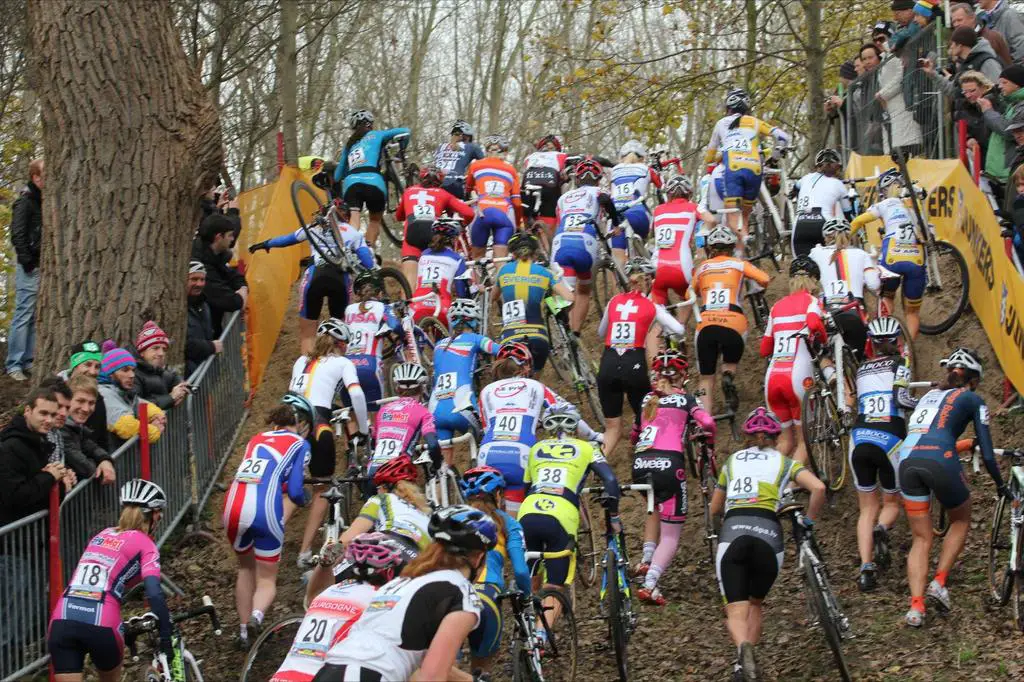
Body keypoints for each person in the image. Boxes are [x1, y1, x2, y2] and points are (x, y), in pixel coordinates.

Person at [313, 505, 497, 682]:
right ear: (479, 558)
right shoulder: (461, 592)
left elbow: (417, 663)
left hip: (329, 670)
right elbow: (431, 677)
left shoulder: (400, 583)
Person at [710, 408, 826, 682]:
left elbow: (715, 507)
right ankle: (748, 662)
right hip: (768, 535)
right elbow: (819, 488)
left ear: (747, 436)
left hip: (733, 533)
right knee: (756, 604)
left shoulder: (732, 462)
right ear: (776, 437)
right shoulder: (785, 463)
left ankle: (743, 653)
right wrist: (808, 521)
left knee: (735, 609)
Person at [897, 348, 1007, 627]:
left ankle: (916, 607)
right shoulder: (973, 398)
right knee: (961, 517)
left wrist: (961, 445)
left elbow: (927, 437)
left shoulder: (928, 396)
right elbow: (988, 452)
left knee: (921, 538)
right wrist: (1000, 483)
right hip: (940, 461)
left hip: (907, 461)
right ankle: (939, 582)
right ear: (973, 379)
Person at [46, 480, 171, 682]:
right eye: (160, 513)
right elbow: (154, 592)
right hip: (102, 621)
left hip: (63, 618)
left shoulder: (102, 535)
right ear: (154, 514)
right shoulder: (145, 544)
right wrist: (165, 632)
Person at [519, 403, 619, 633]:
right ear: (576, 425)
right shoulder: (586, 447)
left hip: (529, 511)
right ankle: (541, 636)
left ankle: (529, 629)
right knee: (555, 584)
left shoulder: (536, 448)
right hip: (561, 515)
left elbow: (526, 488)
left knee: (533, 573)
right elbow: (610, 481)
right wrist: (612, 515)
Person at [224, 394, 312, 648]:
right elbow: (294, 490)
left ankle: (242, 632)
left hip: (233, 505)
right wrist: (303, 498)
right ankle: (256, 617)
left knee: (245, 568)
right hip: (263, 508)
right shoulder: (299, 444)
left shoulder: (256, 438)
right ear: (299, 424)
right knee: (266, 580)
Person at [632, 349, 716, 605]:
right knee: (670, 536)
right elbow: (708, 423)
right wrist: (710, 440)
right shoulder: (687, 399)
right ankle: (651, 584)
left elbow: (634, 434)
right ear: (684, 376)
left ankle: (646, 560)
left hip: (640, 463)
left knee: (653, 504)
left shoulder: (647, 400)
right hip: (669, 464)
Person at [272, 533, 408, 682]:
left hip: (283, 676)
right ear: (389, 572)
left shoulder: (330, 591)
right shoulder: (381, 600)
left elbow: (313, 597)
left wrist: (324, 565)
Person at [290, 319, 369, 567]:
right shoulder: (342, 362)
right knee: (321, 488)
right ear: (341, 344)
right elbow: (356, 393)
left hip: (289, 425)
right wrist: (364, 430)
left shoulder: (301, 361)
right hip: (319, 425)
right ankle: (304, 552)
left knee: (286, 486)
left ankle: (269, 537)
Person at [249, 200, 374, 356]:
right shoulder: (353, 233)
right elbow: (368, 264)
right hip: (340, 279)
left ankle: (307, 372)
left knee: (308, 333)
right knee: (340, 331)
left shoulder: (314, 228)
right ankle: (339, 371)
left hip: (315, 275)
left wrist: (266, 244)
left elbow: (287, 239)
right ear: (348, 217)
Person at [851, 318, 917, 593]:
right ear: (896, 340)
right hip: (890, 437)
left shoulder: (861, 369)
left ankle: (866, 568)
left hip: (859, 437)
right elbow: (902, 399)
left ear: (873, 344)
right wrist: (923, 401)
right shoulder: (901, 363)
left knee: (866, 507)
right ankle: (882, 527)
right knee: (891, 502)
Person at [597, 256, 686, 459]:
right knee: (648, 419)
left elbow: (601, 333)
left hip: (608, 364)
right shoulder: (653, 306)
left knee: (613, 427)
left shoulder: (614, 301)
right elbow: (679, 330)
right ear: (650, 281)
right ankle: (646, 461)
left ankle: (598, 464)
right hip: (633, 365)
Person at [459, 467, 531, 677]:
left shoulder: (452, 522)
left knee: (446, 671)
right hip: (487, 597)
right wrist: (526, 599)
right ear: (498, 495)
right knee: (481, 671)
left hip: (451, 595)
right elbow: (520, 571)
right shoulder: (508, 523)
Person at [691, 227, 771, 414]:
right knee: (729, 362)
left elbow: (689, 294)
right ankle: (728, 375)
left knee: (706, 377)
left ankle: (705, 419)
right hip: (734, 321)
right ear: (732, 247)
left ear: (711, 248)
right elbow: (765, 279)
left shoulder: (703, 267)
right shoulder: (739, 264)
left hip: (706, 322)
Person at [760, 257, 828, 464]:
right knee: (804, 442)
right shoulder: (812, 302)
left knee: (785, 441)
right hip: (798, 378)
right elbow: (814, 323)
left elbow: (764, 349)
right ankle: (789, 487)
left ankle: (770, 486)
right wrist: (822, 340)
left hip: (772, 379)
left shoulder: (776, 307)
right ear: (814, 282)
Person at [703, 89, 791, 245]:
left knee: (732, 218)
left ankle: (744, 240)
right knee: (744, 216)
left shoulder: (721, 124)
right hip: (755, 170)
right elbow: (783, 137)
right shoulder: (755, 122)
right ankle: (744, 248)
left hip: (734, 169)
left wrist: (717, 157)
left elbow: (709, 157)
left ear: (728, 108)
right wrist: (774, 157)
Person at [851, 169, 927, 339]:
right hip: (916, 259)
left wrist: (843, 239)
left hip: (892, 257)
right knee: (912, 312)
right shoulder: (915, 203)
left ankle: (883, 340)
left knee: (887, 298)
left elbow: (858, 221)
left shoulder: (885, 204)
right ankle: (909, 352)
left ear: (885, 190)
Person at [552, 156, 624, 332]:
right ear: (598, 179)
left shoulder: (563, 198)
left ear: (577, 179)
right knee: (583, 291)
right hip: (585, 242)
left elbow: (558, 220)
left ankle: (561, 331)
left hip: (561, 242)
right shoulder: (598, 192)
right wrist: (615, 225)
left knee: (562, 294)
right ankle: (575, 333)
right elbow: (607, 202)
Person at [428, 299, 498, 463]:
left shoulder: (439, 345)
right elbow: (499, 350)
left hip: (435, 409)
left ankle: (444, 484)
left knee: (443, 468)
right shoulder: (475, 338)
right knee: (486, 440)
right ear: (474, 321)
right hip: (461, 406)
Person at [496, 232, 575, 373]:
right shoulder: (545, 272)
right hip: (538, 337)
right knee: (534, 379)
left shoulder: (503, 271)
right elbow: (570, 298)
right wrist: (554, 305)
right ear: (535, 253)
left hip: (510, 338)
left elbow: (493, 297)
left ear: (513, 254)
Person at [334, 109, 410, 247]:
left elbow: (337, 175)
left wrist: (349, 170)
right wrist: (401, 150)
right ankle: (368, 251)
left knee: (354, 216)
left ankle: (349, 247)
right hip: (375, 182)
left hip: (352, 184)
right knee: (374, 221)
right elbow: (406, 131)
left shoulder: (349, 145)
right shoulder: (377, 135)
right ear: (370, 124)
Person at [808, 218, 881, 361]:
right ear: (849, 236)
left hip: (827, 311)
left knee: (823, 357)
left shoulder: (816, 253)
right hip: (855, 310)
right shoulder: (861, 254)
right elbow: (874, 285)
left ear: (826, 237)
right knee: (859, 359)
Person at [394, 165, 475, 286]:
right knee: (433, 282)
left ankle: (407, 303)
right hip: (433, 233)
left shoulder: (408, 191)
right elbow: (469, 213)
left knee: (408, 283)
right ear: (440, 181)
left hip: (412, 233)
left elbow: (399, 216)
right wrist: (462, 226)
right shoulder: (443, 193)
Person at [0, 386, 67, 524]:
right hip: (15, 538)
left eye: (53, 415)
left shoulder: (40, 441)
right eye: (43, 413)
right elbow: (14, 496)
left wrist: (60, 481)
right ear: (28, 411)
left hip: (34, 534)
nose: (49, 420)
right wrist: (50, 477)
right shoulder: (10, 447)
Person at [344, 271, 403, 413]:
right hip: (370, 365)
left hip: (346, 367)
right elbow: (395, 326)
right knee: (377, 414)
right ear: (380, 293)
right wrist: (403, 337)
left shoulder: (348, 310)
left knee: (351, 413)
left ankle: (356, 436)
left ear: (358, 293)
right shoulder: (383, 307)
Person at [368, 363, 440, 478]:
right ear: (422, 388)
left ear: (397, 388)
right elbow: (433, 445)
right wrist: (437, 465)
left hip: (374, 471)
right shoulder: (423, 412)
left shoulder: (383, 410)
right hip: (399, 470)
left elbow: (373, 444)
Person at [6, 158, 43, 381]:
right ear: (35, 177)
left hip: (41, 265)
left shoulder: (43, 200)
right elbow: (17, 234)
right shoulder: (25, 201)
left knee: (35, 315)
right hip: (29, 266)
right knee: (23, 314)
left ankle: (29, 359)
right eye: (45, 174)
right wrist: (27, 260)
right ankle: (14, 363)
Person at [651, 175, 700, 323]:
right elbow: (710, 220)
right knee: (689, 295)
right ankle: (679, 330)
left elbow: (651, 233)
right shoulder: (693, 207)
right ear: (689, 194)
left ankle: (663, 334)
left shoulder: (658, 210)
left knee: (657, 306)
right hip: (681, 267)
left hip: (657, 268)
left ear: (668, 194)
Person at [466, 134, 522, 261]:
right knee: (500, 260)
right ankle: (498, 277)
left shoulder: (475, 165)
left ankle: (478, 280)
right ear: (505, 152)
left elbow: (468, 188)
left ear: (487, 151)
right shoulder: (511, 170)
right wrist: (518, 224)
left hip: (482, 212)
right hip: (504, 214)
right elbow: (517, 203)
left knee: (477, 259)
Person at [192, 213, 249, 336]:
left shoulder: (216, 256)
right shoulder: (201, 266)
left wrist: (242, 288)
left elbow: (234, 275)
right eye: (229, 236)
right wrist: (241, 298)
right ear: (218, 237)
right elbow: (229, 301)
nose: (232, 239)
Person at [609, 140, 663, 267]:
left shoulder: (614, 171)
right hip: (638, 212)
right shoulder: (646, 169)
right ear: (642, 158)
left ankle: (621, 284)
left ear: (621, 157)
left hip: (616, 214)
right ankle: (648, 250)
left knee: (618, 260)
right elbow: (663, 187)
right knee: (648, 237)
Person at [790, 149, 853, 257]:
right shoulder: (838, 184)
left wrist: (794, 193)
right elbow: (848, 215)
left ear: (818, 166)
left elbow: (795, 188)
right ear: (837, 168)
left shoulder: (805, 178)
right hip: (824, 223)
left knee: (802, 268)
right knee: (828, 267)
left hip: (800, 224)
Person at [410, 218, 470, 328]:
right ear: (453, 239)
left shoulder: (423, 254)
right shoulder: (457, 258)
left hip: (417, 305)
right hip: (442, 307)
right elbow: (462, 292)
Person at [97, 348, 166, 445]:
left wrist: (157, 416)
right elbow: (125, 425)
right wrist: (154, 431)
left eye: (133, 370)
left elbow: (141, 404)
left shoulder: (122, 391)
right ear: (110, 374)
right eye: (125, 370)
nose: (132, 375)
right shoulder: (105, 393)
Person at [61, 375, 116, 486]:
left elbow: (91, 446)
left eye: (91, 403)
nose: (86, 409)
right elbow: (85, 468)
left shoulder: (76, 427)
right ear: (67, 401)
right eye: (80, 401)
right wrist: (98, 463)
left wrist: (104, 460)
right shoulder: (61, 429)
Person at [980, 64, 1024, 196]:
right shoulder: (1013, 103)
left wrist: (988, 111)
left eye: (1004, 82)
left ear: (1017, 84)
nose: (1000, 86)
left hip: (1009, 169)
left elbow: (1008, 130)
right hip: (1003, 171)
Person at [59, 341, 109, 451]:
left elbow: (101, 438)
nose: (93, 371)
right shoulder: (54, 393)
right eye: (87, 364)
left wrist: (104, 460)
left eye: (97, 367)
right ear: (75, 365)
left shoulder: (98, 398)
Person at [132, 321, 189, 410]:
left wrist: (181, 387)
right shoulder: (133, 373)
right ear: (142, 352)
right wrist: (171, 398)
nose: (161, 353)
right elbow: (137, 406)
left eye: (164, 349)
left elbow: (174, 377)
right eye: (155, 348)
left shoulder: (159, 371)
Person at [521, 134, 569, 237]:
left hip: (527, 191)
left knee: (528, 229)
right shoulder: (561, 156)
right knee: (549, 231)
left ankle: (528, 238)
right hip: (550, 191)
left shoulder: (529, 157)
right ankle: (547, 247)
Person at [956, 71, 1002, 164]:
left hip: (997, 157)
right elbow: (964, 129)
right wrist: (968, 139)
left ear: (984, 87)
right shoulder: (966, 107)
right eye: (965, 92)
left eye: (972, 91)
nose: (968, 95)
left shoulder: (998, 103)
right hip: (981, 159)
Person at [433, 120, 485, 200]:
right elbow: (485, 164)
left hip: (434, 185)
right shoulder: (471, 146)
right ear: (467, 136)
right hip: (455, 185)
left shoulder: (440, 146)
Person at [185, 261, 222, 375]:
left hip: (204, 373)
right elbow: (182, 344)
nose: (199, 284)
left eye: (202, 279)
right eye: (194, 279)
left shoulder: (204, 306)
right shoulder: (176, 309)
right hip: (188, 375)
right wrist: (211, 347)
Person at [978, 0, 1024, 64]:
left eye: (960, 20)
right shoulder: (982, 20)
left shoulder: (1011, 16)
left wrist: (1011, 72)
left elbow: (1021, 52)